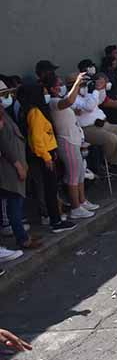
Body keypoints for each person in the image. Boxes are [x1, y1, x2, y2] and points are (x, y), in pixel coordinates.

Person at [16, 84, 76, 233]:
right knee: (50, 189)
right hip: (44, 155)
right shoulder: (34, 112)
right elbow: (36, 139)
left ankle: (54, 217)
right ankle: (55, 221)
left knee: (49, 188)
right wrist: (47, 157)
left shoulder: (29, 110)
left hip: (44, 153)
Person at [46, 72, 98, 219]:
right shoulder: (53, 102)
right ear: (53, 88)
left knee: (80, 173)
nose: (62, 86)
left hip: (75, 140)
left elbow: (69, 107)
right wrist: (77, 82)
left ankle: (82, 201)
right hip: (66, 142)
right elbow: (68, 102)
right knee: (73, 176)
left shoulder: (60, 101)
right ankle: (75, 207)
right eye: (59, 84)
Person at [0, 81, 40, 250]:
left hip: (15, 165)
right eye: (3, 95)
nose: (6, 98)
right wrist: (18, 165)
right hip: (10, 168)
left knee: (16, 204)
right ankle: (22, 239)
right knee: (15, 205)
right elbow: (5, 145)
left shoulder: (4, 114)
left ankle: (23, 236)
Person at [77, 74, 117, 173]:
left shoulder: (89, 95)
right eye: (82, 85)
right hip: (89, 129)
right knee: (111, 138)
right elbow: (89, 106)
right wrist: (96, 90)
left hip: (104, 124)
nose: (85, 87)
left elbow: (101, 99)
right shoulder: (73, 99)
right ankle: (113, 163)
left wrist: (101, 87)